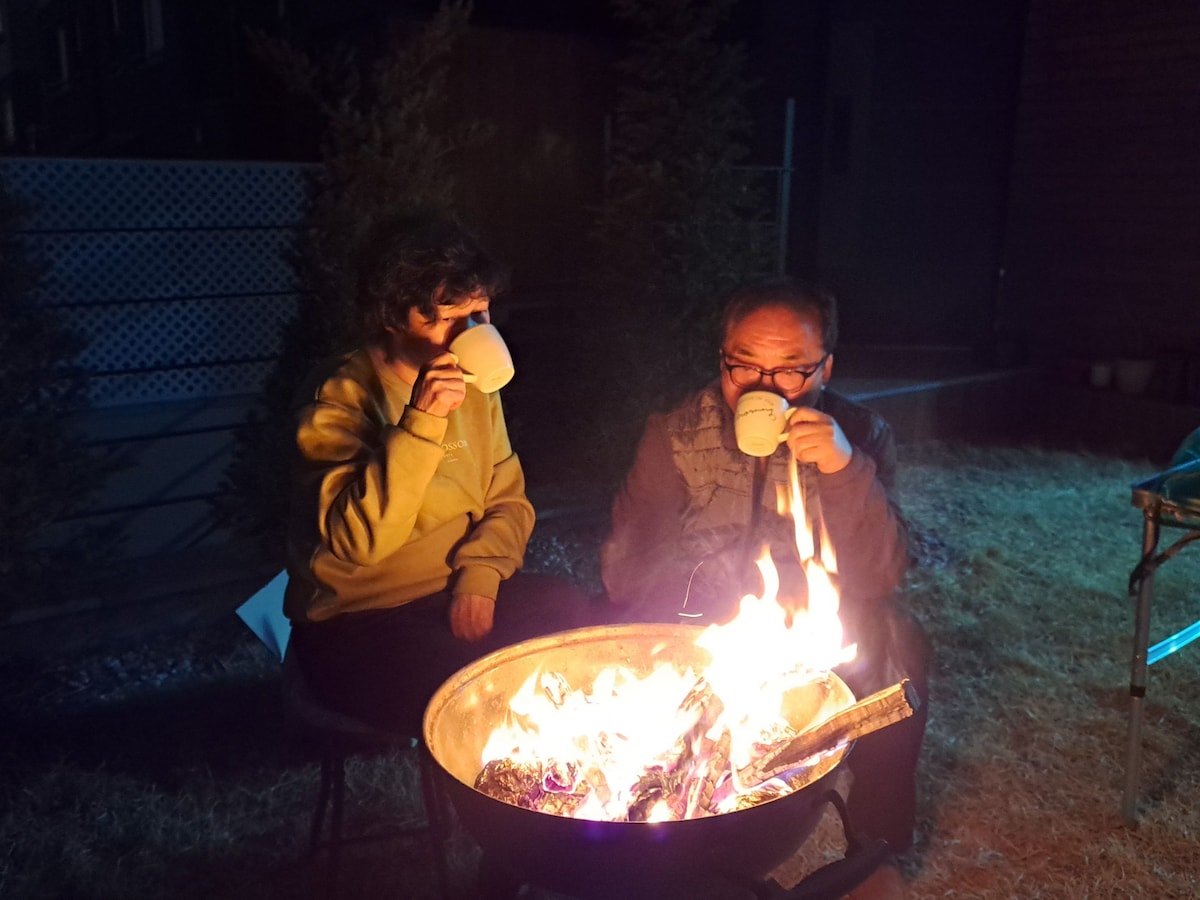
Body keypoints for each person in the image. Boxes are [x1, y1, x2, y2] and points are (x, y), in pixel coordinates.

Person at [599, 278, 930, 889]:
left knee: (901, 649)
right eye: (743, 366)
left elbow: (880, 573)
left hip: (817, 624)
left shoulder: (860, 435)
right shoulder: (675, 433)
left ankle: (878, 846)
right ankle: (666, 829)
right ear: (721, 357)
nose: (762, 388)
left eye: (790, 372)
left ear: (826, 367)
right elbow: (627, 570)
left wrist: (841, 467)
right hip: (701, 617)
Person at [283, 212, 592, 737]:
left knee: (575, 627)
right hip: (360, 621)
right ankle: (497, 805)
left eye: (481, 314)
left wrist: (482, 578)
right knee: (467, 698)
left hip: (458, 592)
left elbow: (508, 501)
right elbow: (357, 543)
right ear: (395, 317)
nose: (471, 335)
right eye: (449, 319)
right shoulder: (338, 398)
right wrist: (422, 423)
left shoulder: (477, 387)